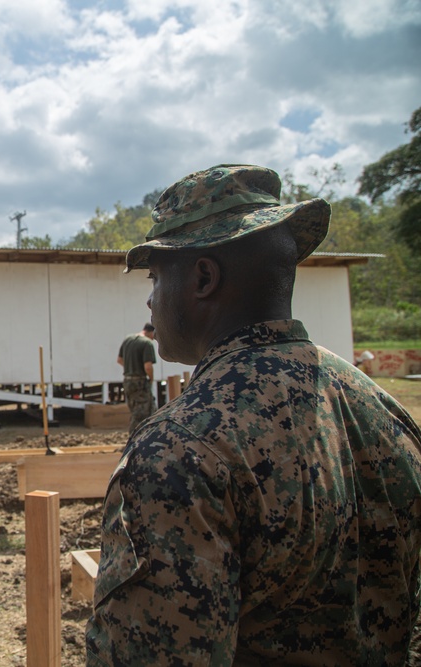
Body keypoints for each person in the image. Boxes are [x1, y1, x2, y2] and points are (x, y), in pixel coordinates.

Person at [85, 164, 421, 665]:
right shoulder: (382, 410)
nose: (151, 298)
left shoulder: (179, 450)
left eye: (156, 276)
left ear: (203, 278)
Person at [116, 322, 156, 432]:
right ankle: (135, 439)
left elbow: (119, 360)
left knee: (135, 410)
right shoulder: (147, 343)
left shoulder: (128, 339)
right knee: (143, 413)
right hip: (140, 382)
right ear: (151, 332)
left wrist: (131, 367)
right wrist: (151, 379)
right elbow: (148, 366)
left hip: (128, 381)